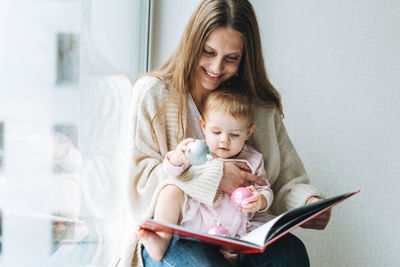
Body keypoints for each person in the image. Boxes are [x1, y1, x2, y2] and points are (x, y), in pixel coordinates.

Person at [128, 0, 331, 266]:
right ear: (192, 45)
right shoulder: (153, 94)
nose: (216, 68)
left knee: (291, 253)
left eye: (231, 58)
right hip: (174, 232)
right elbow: (140, 184)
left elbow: (284, 181)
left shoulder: (258, 106)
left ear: (245, 57)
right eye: (208, 52)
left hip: (240, 231)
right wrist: (215, 176)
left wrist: (309, 204)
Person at [137, 90, 274, 262]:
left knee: (245, 248)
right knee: (169, 190)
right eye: (216, 132)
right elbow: (171, 172)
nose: (224, 140)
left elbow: (264, 188)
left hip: (234, 229)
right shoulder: (197, 150)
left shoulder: (253, 160)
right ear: (203, 126)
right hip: (197, 220)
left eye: (234, 135)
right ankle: (160, 239)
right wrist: (178, 158)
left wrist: (261, 200)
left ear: (248, 133)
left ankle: (231, 256)